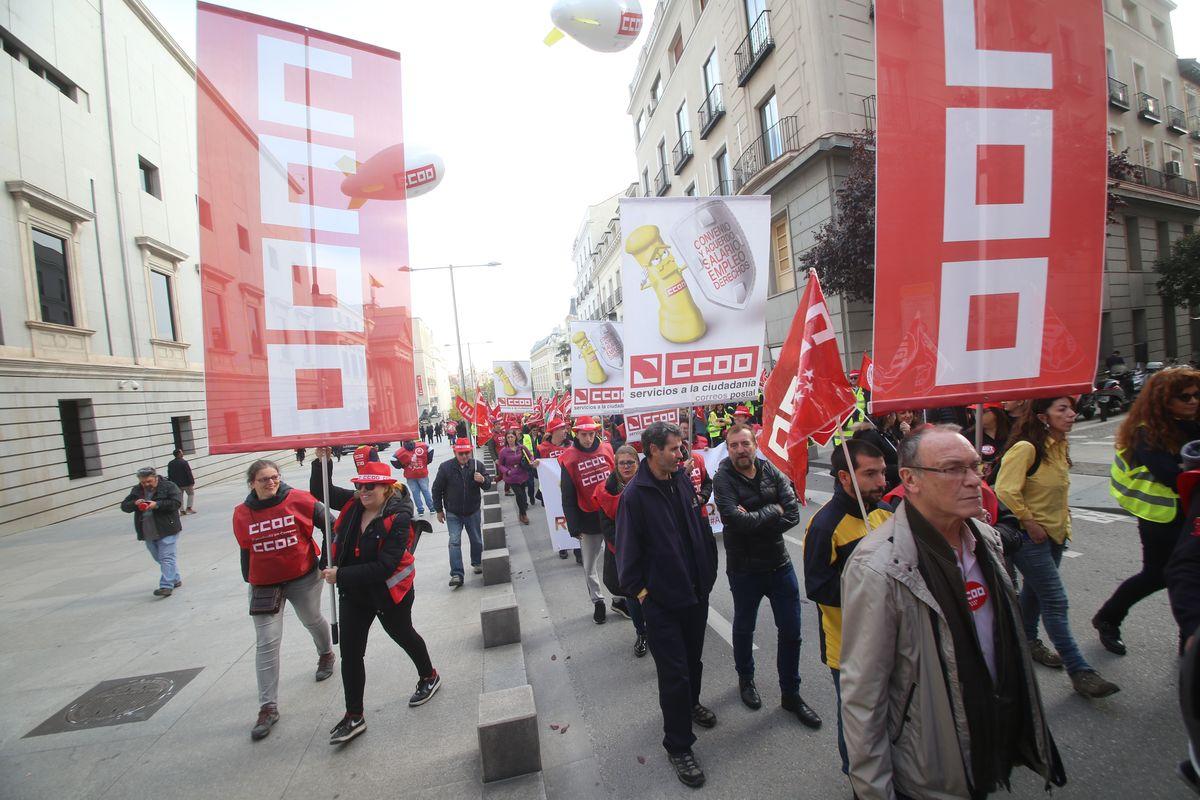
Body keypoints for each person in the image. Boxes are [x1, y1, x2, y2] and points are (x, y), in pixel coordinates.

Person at [840, 425, 1066, 800]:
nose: (974, 480)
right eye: (953, 469)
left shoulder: (985, 536)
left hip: (990, 735)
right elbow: (864, 697)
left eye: (976, 466)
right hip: (931, 764)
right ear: (910, 479)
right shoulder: (878, 567)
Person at [616, 421, 719, 788]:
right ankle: (678, 745)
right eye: (674, 449)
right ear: (652, 450)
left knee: (693, 662)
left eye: (681, 447)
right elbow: (626, 564)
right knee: (674, 674)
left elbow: (700, 530)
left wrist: (707, 574)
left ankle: (690, 706)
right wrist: (648, 597)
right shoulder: (634, 497)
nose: (681, 454)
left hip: (695, 595)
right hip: (662, 605)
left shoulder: (681, 480)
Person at [995, 397, 1119, 698]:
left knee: (1035, 594)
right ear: (1042, 416)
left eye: (1071, 409)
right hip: (1029, 538)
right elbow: (1004, 489)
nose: (1071, 414)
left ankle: (1026, 640)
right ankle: (1080, 671)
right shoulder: (1026, 448)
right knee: (1055, 600)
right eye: (1061, 409)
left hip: (1057, 535)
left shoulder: (1060, 445)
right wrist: (1030, 521)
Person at [311, 460, 439, 744]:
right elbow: (321, 490)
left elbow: (385, 566)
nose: (363, 491)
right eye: (359, 486)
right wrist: (323, 459)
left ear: (386, 488)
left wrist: (340, 574)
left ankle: (429, 675)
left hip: (388, 593)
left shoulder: (399, 516)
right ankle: (354, 715)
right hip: (354, 594)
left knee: (403, 635)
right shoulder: (355, 503)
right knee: (351, 653)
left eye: (370, 486)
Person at [712, 424, 821, 729]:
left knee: (791, 632)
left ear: (755, 444)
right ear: (728, 448)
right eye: (733, 445)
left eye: (744, 443)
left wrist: (757, 517)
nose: (740, 449)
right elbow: (735, 520)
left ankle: (791, 694)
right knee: (744, 628)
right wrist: (772, 512)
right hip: (744, 569)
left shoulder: (771, 470)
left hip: (779, 564)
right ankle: (746, 680)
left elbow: (793, 514)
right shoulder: (723, 479)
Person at [802, 439, 893, 778]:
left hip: (891, 640)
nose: (881, 481)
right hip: (850, 650)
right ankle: (856, 777)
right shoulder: (825, 526)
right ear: (843, 477)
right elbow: (818, 587)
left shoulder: (887, 512)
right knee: (857, 725)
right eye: (870, 474)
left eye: (882, 472)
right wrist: (873, 588)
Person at [1095, 368, 1200, 654]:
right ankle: (1108, 618)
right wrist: (1184, 468)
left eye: (1196, 395)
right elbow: (1171, 476)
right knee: (1159, 575)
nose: (1193, 401)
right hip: (1161, 518)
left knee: (1190, 576)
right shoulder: (1147, 431)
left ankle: (1188, 640)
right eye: (1184, 396)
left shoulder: (1191, 422)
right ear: (1164, 400)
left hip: (1190, 513)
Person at [233, 459, 335, 740]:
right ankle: (268, 706)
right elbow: (245, 549)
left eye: (274, 477)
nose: (270, 482)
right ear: (252, 483)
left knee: (312, 619)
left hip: (303, 577)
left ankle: (326, 653)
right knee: (267, 642)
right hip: (264, 586)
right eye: (264, 479)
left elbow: (332, 524)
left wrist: (326, 560)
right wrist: (250, 579)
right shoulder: (241, 513)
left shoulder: (299, 499)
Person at [560, 416, 617, 622]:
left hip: (611, 514)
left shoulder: (608, 449)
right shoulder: (569, 457)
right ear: (576, 433)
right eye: (584, 434)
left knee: (618, 560)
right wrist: (573, 525)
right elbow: (567, 495)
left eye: (591, 433)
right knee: (589, 565)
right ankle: (598, 602)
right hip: (587, 518)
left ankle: (619, 599)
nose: (588, 438)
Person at [594, 445, 648, 657]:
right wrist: (629, 547)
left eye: (630, 462)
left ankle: (658, 630)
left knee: (654, 594)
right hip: (623, 553)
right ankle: (641, 633)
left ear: (638, 463)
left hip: (650, 551)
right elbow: (607, 527)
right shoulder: (606, 491)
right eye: (622, 463)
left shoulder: (649, 483)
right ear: (615, 466)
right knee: (634, 595)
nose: (626, 466)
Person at [431, 438, 491, 587]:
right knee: (454, 542)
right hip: (453, 513)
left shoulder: (477, 466)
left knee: (476, 540)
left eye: (467, 453)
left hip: (472, 511)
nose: (464, 456)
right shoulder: (445, 468)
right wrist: (438, 510)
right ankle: (457, 574)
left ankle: (477, 562)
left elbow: (488, 485)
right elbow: (436, 489)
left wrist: (482, 479)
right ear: (455, 452)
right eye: (461, 453)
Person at [120, 467, 183, 597]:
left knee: (166, 557)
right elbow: (124, 506)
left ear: (155, 477)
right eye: (143, 482)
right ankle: (174, 578)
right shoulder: (137, 490)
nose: (146, 485)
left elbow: (176, 503)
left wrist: (157, 504)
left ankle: (166, 586)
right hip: (147, 530)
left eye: (149, 481)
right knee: (159, 557)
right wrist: (134, 503)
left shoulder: (169, 486)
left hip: (167, 528)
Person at [539, 418, 578, 561]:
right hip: (552, 492)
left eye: (566, 428)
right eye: (562, 429)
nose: (566, 431)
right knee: (557, 517)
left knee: (573, 517)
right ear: (554, 431)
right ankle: (562, 546)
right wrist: (535, 464)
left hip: (572, 490)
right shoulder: (542, 449)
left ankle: (578, 551)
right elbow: (532, 467)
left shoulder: (573, 446)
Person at [497, 429, 538, 525]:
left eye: (512, 437)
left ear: (516, 437)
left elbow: (530, 456)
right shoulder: (503, 451)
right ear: (506, 439)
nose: (510, 439)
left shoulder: (522, 447)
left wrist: (531, 461)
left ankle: (521, 513)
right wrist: (507, 471)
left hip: (522, 474)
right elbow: (500, 465)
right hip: (511, 477)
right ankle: (524, 515)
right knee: (519, 495)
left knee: (523, 496)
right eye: (508, 437)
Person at [963, 403, 1011, 483]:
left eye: (983, 412)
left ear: (996, 413)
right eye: (975, 412)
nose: (978, 415)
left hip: (1007, 479)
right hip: (981, 482)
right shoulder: (968, 436)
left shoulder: (1011, 432)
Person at [392, 439, 435, 516]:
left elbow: (393, 459)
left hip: (410, 475)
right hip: (422, 472)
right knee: (425, 491)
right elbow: (431, 450)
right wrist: (427, 461)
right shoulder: (422, 445)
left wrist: (402, 466)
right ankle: (431, 508)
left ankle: (420, 510)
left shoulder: (400, 451)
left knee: (415, 493)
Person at [167, 449, 196, 515]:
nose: (182, 453)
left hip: (176, 484)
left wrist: (171, 483)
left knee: (180, 497)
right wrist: (192, 481)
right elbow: (188, 473)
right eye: (181, 452)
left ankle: (182, 510)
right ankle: (189, 508)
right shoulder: (184, 462)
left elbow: (169, 474)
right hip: (186, 483)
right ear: (179, 454)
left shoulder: (170, 463)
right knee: (191, 494)